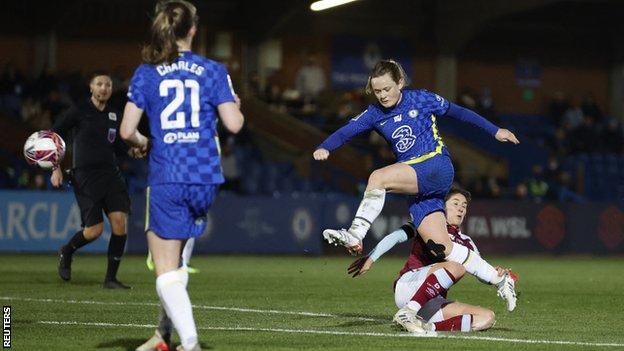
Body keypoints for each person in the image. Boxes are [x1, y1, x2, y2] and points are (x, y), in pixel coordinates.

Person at [314, 59, 519, 291]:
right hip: (419, 183)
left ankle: (355, 234)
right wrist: (325, 146)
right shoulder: (374, 113)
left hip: (436, 165)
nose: (382, 95)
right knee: (443, 247)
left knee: (378, 178)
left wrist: (495, 131)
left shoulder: (421, 98)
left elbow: (460, 113)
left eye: (387, 89)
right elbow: (346, 131)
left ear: (400, 82)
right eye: (377, 90)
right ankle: (499, 279)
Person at [120, 1, 244, 350]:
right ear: (193, 29)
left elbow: (128, 130)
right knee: (178, 262)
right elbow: (234, 124)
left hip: (169, 174)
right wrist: (234, 104)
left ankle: (189, 343)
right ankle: (163, 335)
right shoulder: (213, 69)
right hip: (206, 176)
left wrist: (145, 142)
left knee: (165, 272)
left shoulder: (146, 72)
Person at [347, 187, 517, 334]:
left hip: (431, 301)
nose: (461, 209)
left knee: (486, 317)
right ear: (443, 207)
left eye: (464, 206)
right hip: (408, 287)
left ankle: (428, 327)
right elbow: (395, 237)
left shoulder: (467, 242)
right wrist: (371, 258)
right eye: (456, 203)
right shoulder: (427, 224)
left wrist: (497, 272)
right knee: (457, 267)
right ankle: (408, 312)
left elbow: (480, 271)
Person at [53, 71, 145, 289]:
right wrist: (56, 168)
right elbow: (54, 136)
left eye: (108, 85)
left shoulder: (115, 115)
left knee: (120, 224)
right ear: (91, 88)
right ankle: (67, 250)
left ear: (111, 90)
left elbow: (119, 147)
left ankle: (111, 279)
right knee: (94, 231)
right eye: (99, 84)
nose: (104, 88)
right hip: (85, 175)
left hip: (110, 175)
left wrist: (132, 152)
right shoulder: (79, 111)